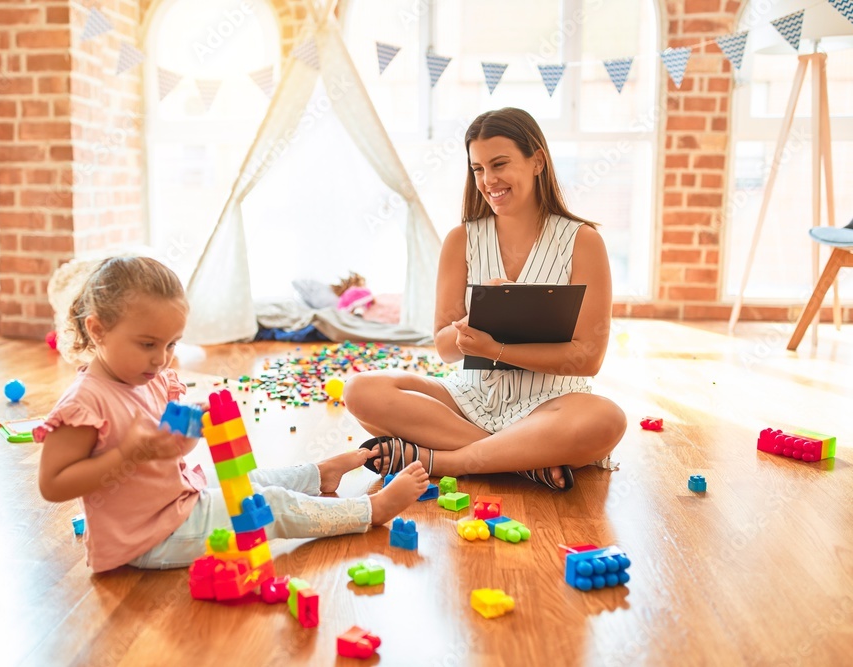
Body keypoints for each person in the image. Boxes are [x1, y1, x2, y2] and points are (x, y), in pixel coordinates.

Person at [36, 256, 429, 573]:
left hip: (173, 499)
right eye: (147, 344)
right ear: (98, 330)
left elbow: (171, 451)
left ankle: (318, 474)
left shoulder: (147, 377)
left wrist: (189, 426)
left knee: (247, 479)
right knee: (266, 506)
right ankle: (367, 511)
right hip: (150, 537)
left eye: (172, 343)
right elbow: (53, 485)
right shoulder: (85, 404)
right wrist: (127, 455)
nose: (160, 358)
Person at [344, 108, 627, 491]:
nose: (489, 180)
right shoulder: (461, 240)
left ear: (537, 161)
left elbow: (588, 359)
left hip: (551, 406)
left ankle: (447, 461)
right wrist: (475, 321)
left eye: (499, 164)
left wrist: (498, 349)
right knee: (361, 390)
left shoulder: (582, 241)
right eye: (478, 169)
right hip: (469, 400)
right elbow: (444, 348)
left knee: (606, 419)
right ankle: (525, 461)